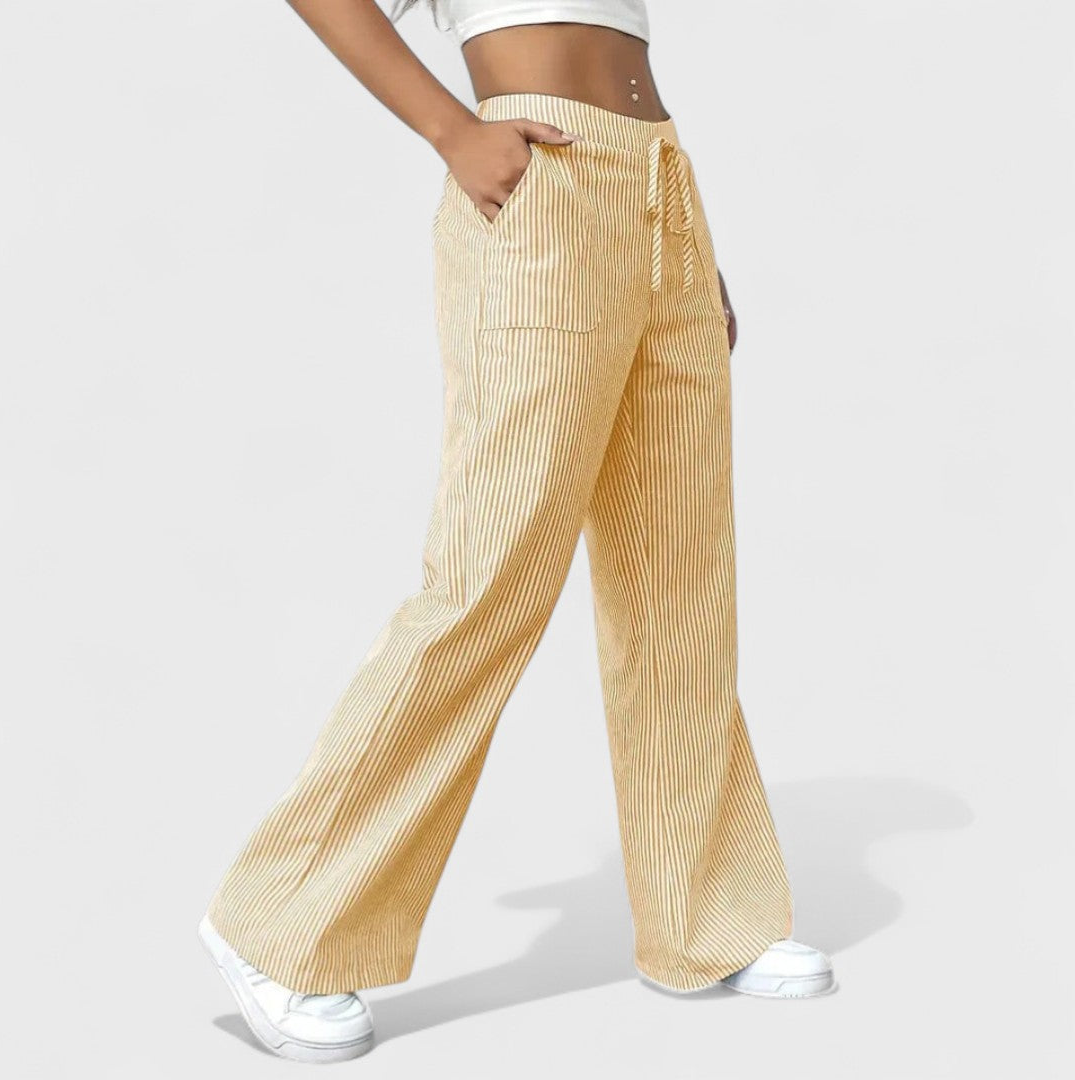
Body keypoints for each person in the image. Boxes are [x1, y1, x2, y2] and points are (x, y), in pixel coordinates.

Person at [198, 0, 836, 1063]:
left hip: (659, 189)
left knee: (680, 584)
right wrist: (452, 129)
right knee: (489, 581)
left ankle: (705, 919)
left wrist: (679, 251)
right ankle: (281, 926)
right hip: (542, 185)